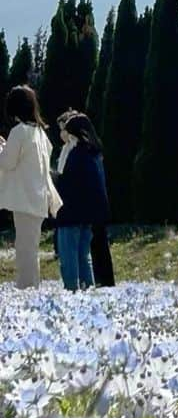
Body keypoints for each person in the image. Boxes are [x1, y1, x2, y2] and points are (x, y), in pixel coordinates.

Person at [0, 86, 63, 288]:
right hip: (39, 198)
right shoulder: (40, 133)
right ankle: (32, 287)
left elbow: (8, 163)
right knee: (31, 247)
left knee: (24, 249)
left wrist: (1, 148)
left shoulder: (19, 132)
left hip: (25, 198)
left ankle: (27, 289)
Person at [57, 109, 115, 286]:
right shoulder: (94, 153)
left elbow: (66, 183)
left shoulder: (77, 154)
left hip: (70, 214)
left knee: (69, 258)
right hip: (88, 216)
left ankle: (73, 292)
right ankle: (87, 293)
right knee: (84, 256)